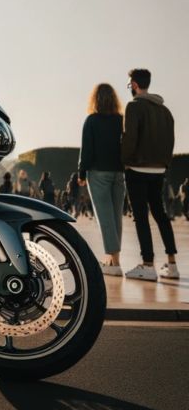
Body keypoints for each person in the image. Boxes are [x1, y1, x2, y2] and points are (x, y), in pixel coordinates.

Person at [122, 68, 178, 280]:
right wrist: (164, 163)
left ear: (134, 85)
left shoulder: (134, 106)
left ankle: (147, 264)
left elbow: (130, 137)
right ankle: (172, 264)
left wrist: (126, 162)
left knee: (141, 217)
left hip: (137, 168)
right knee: (160, 214)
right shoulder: (165, 110)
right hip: (159, 169)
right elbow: (170, 139)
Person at [78, 83, 126, 275]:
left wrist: (82, 173)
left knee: (105, 217)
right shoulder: (121, 120)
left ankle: (113, 265)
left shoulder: (91, 120)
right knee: (116, 217)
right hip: (119, 172)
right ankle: (114, 260)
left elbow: (87, 149)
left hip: (98, 172)